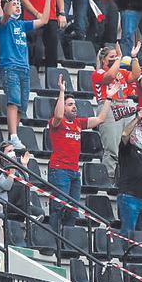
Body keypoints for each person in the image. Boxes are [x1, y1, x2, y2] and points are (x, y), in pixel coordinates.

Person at [47, 76, 115, 231]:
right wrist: (62, 92)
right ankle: (54, 239)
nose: (74, 107)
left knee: (73, 210)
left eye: (74, 104)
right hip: (59, 170)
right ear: (62, 106)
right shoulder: (57, 122)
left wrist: (109, 97)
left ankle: (67, 240)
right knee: (58, 208)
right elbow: (58, 115)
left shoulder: (78, 123)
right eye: (70, 105)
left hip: (74, 172)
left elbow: (100, 119)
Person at [0, 0, 51, 149]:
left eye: (19, 5)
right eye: (15, 4)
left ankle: (15, 135)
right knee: (13, 101)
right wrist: (9, 0)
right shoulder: (3, 24)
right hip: (10, 66)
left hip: (24, 68)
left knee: (21, 105)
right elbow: (4, 13)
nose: (17, 6)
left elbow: (44, 20)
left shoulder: (22, 24)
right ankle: (12, 136)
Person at [92, 45, 140, 178]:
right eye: (111, 57)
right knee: (112, 148)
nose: (115, 59)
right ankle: (110, 179)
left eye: (116, 56)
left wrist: (134, 57)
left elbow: (136, 75)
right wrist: (119, 58)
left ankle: (127, 178)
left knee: (130, 146)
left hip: (124, 106)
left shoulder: (121, 72)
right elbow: (110, 76)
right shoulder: (98, 73)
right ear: (103, 60)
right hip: (108, 107)